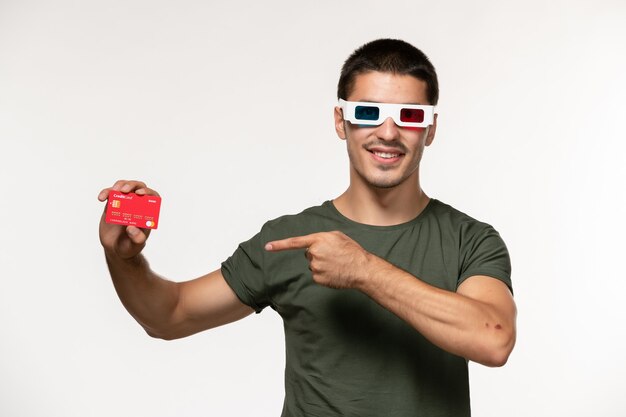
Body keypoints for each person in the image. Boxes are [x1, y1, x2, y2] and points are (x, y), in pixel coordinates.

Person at [98, 38, 516, 417]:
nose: (388, 132)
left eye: (408, 115)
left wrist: (365, 271)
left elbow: (494, 339)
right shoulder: (290, 239)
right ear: (340, 121)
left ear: (430, 128)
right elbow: (169, 316)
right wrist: (123, 259)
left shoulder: (470, 240)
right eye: (368, 113)